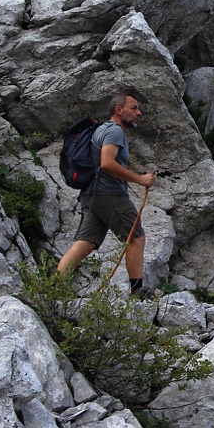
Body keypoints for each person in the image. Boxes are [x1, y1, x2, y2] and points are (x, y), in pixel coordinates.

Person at [57, 93, 157, 297]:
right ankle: (138, 293)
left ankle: (53, 289)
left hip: (91, 194)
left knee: (85, 243)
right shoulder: (114, 132)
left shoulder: (100, 130)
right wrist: (140, 179)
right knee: (136, 237)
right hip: (109, 193)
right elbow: (107, 163)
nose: (139, 113)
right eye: (134, 108)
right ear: (119, 110)